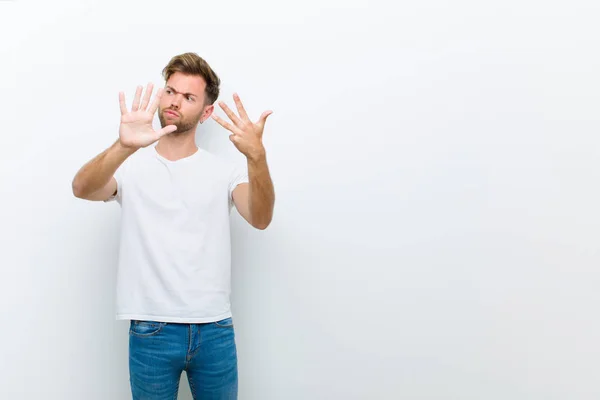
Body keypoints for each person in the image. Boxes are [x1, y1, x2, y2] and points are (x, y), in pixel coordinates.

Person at [71, 52, 275, 399]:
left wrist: (257, 157)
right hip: (151, 329)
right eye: (170, 91)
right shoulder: (131, 165)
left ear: (206, 112)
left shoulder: (225, 171)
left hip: (215, 329)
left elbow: (260, 217)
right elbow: (82, 188)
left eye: (188, 97)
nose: (175, 101)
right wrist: (123, 146)